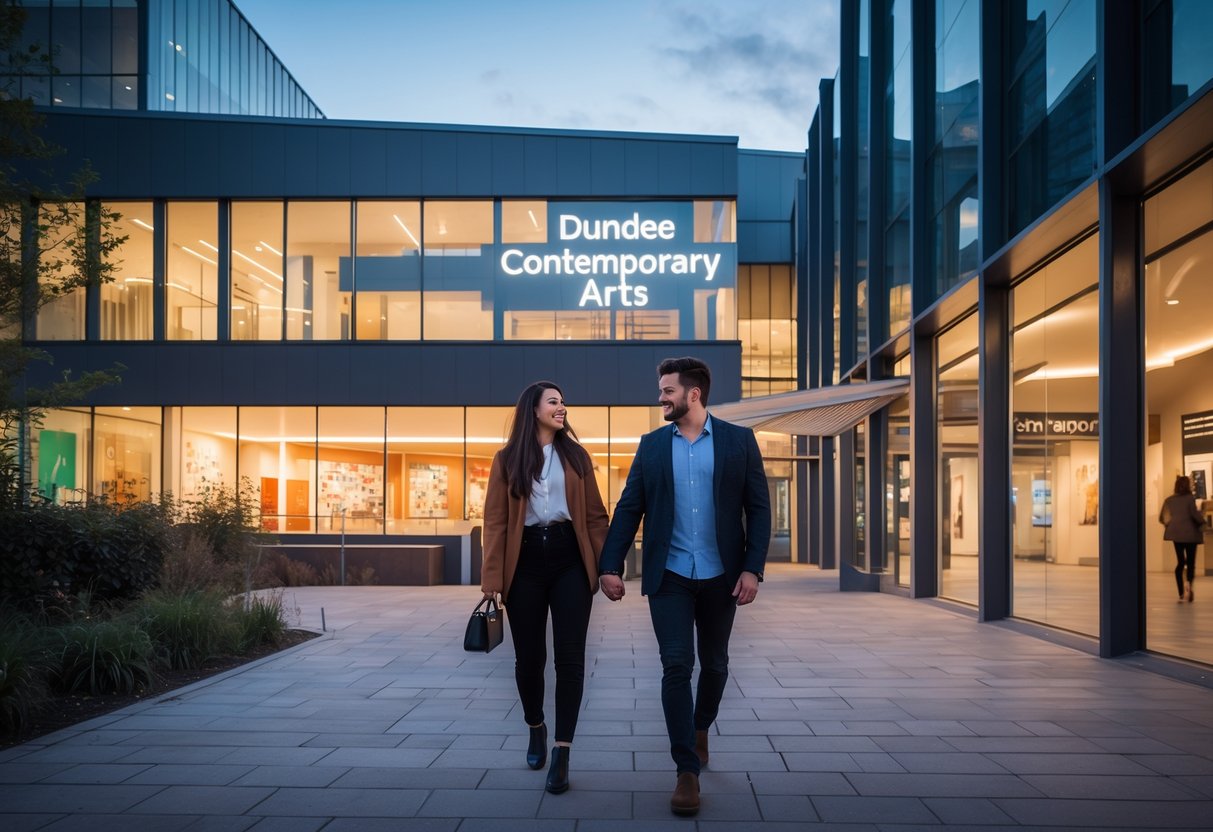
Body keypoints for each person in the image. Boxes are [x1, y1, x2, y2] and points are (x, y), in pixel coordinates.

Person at [598, 356, 770, 817]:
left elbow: (759, 509)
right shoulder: (652, 445)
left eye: (668, 390)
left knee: (714, 665)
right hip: (670, 575)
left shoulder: (739, 441)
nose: (661, 397)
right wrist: (609, 565)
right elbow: (630, 505)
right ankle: (686, 771)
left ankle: (700, 726)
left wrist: (753, 568)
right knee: (676, 665)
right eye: (661, 389)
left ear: (693, 394)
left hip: (722, 576)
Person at [480, 381, 609, 794]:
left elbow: (594, 516)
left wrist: (606, 568)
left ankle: (562, 750)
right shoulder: (506, 461)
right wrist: (492, 579)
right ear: (533, 410)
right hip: (526, 563)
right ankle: (535, 725)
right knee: (529, 659)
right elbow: (496, 523)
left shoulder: (576, 456)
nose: (562, 407)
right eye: (553, 401)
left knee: (570, 659)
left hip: (570, 557)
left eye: (563, 401)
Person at [1160, 474, 1206, 603]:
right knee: (1190, 564)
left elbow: (1162, 518)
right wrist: (1203, 521)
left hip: (1176, 535)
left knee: (1180, 562)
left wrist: (1171, 524)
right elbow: (1194, 515)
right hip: (1190, 535)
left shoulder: (1169, 500)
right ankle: (1188, 585)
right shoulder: (1189, 498)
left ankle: (1180, 593)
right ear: (1188, 486)